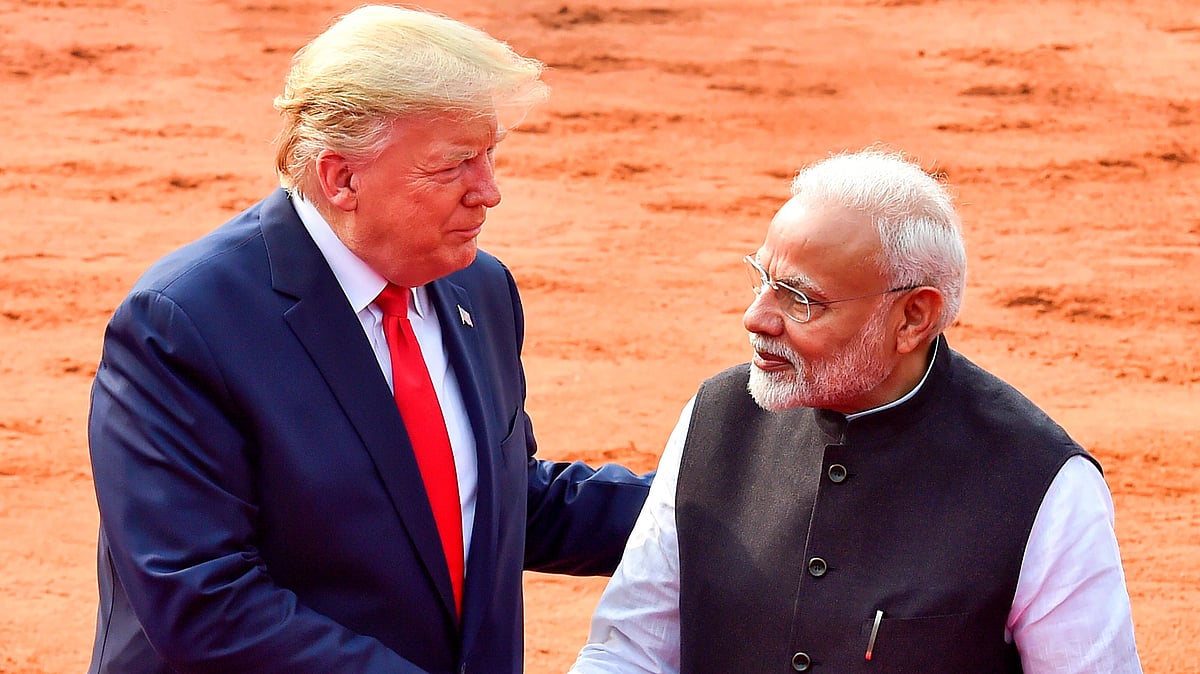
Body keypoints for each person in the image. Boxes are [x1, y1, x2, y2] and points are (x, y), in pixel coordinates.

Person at [86, 5, 652, 673]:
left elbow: (493, 503)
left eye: (491, 154)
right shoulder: (185, 325)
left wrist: (736, 509)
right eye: (454, 166)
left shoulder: (478, 289)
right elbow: (204, 601)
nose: (490, 191)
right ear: (342, 178)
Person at [568, 149, 1142, 673]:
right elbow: (632, 652)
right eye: (761, 280)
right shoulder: (714, 418)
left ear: (914, 318)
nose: (758, 318)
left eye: (800, 299)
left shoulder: (1043, 481)